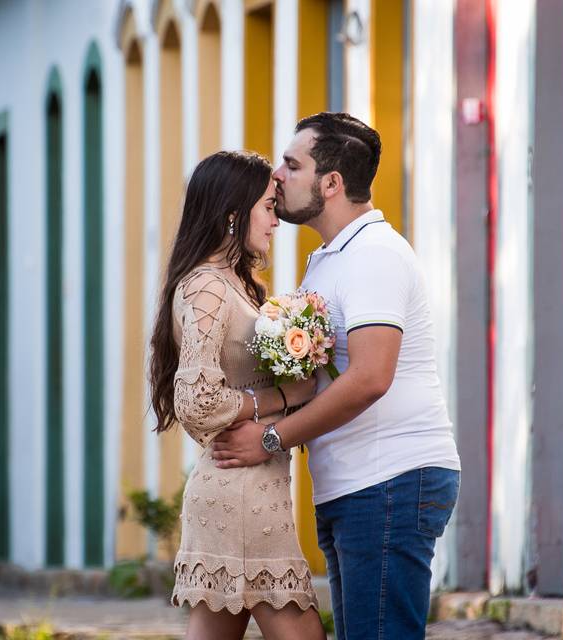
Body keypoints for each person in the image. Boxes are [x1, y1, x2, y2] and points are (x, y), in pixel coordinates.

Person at [211, 112, 462, 640]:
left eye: (291, 164)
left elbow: (371, 377)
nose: (277, 175)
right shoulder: (331, 257)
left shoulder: (373, 255)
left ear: (331, 183)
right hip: (358, 484)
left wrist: (270, 438)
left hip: (390, 478)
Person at [148, 150, 327, 640]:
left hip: (246, 486)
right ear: (232, 213)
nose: (276, 220)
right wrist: (285, 397)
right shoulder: (205, 288)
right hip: (240, 496)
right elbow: (198, 402)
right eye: (269, 207)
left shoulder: (238, 285)